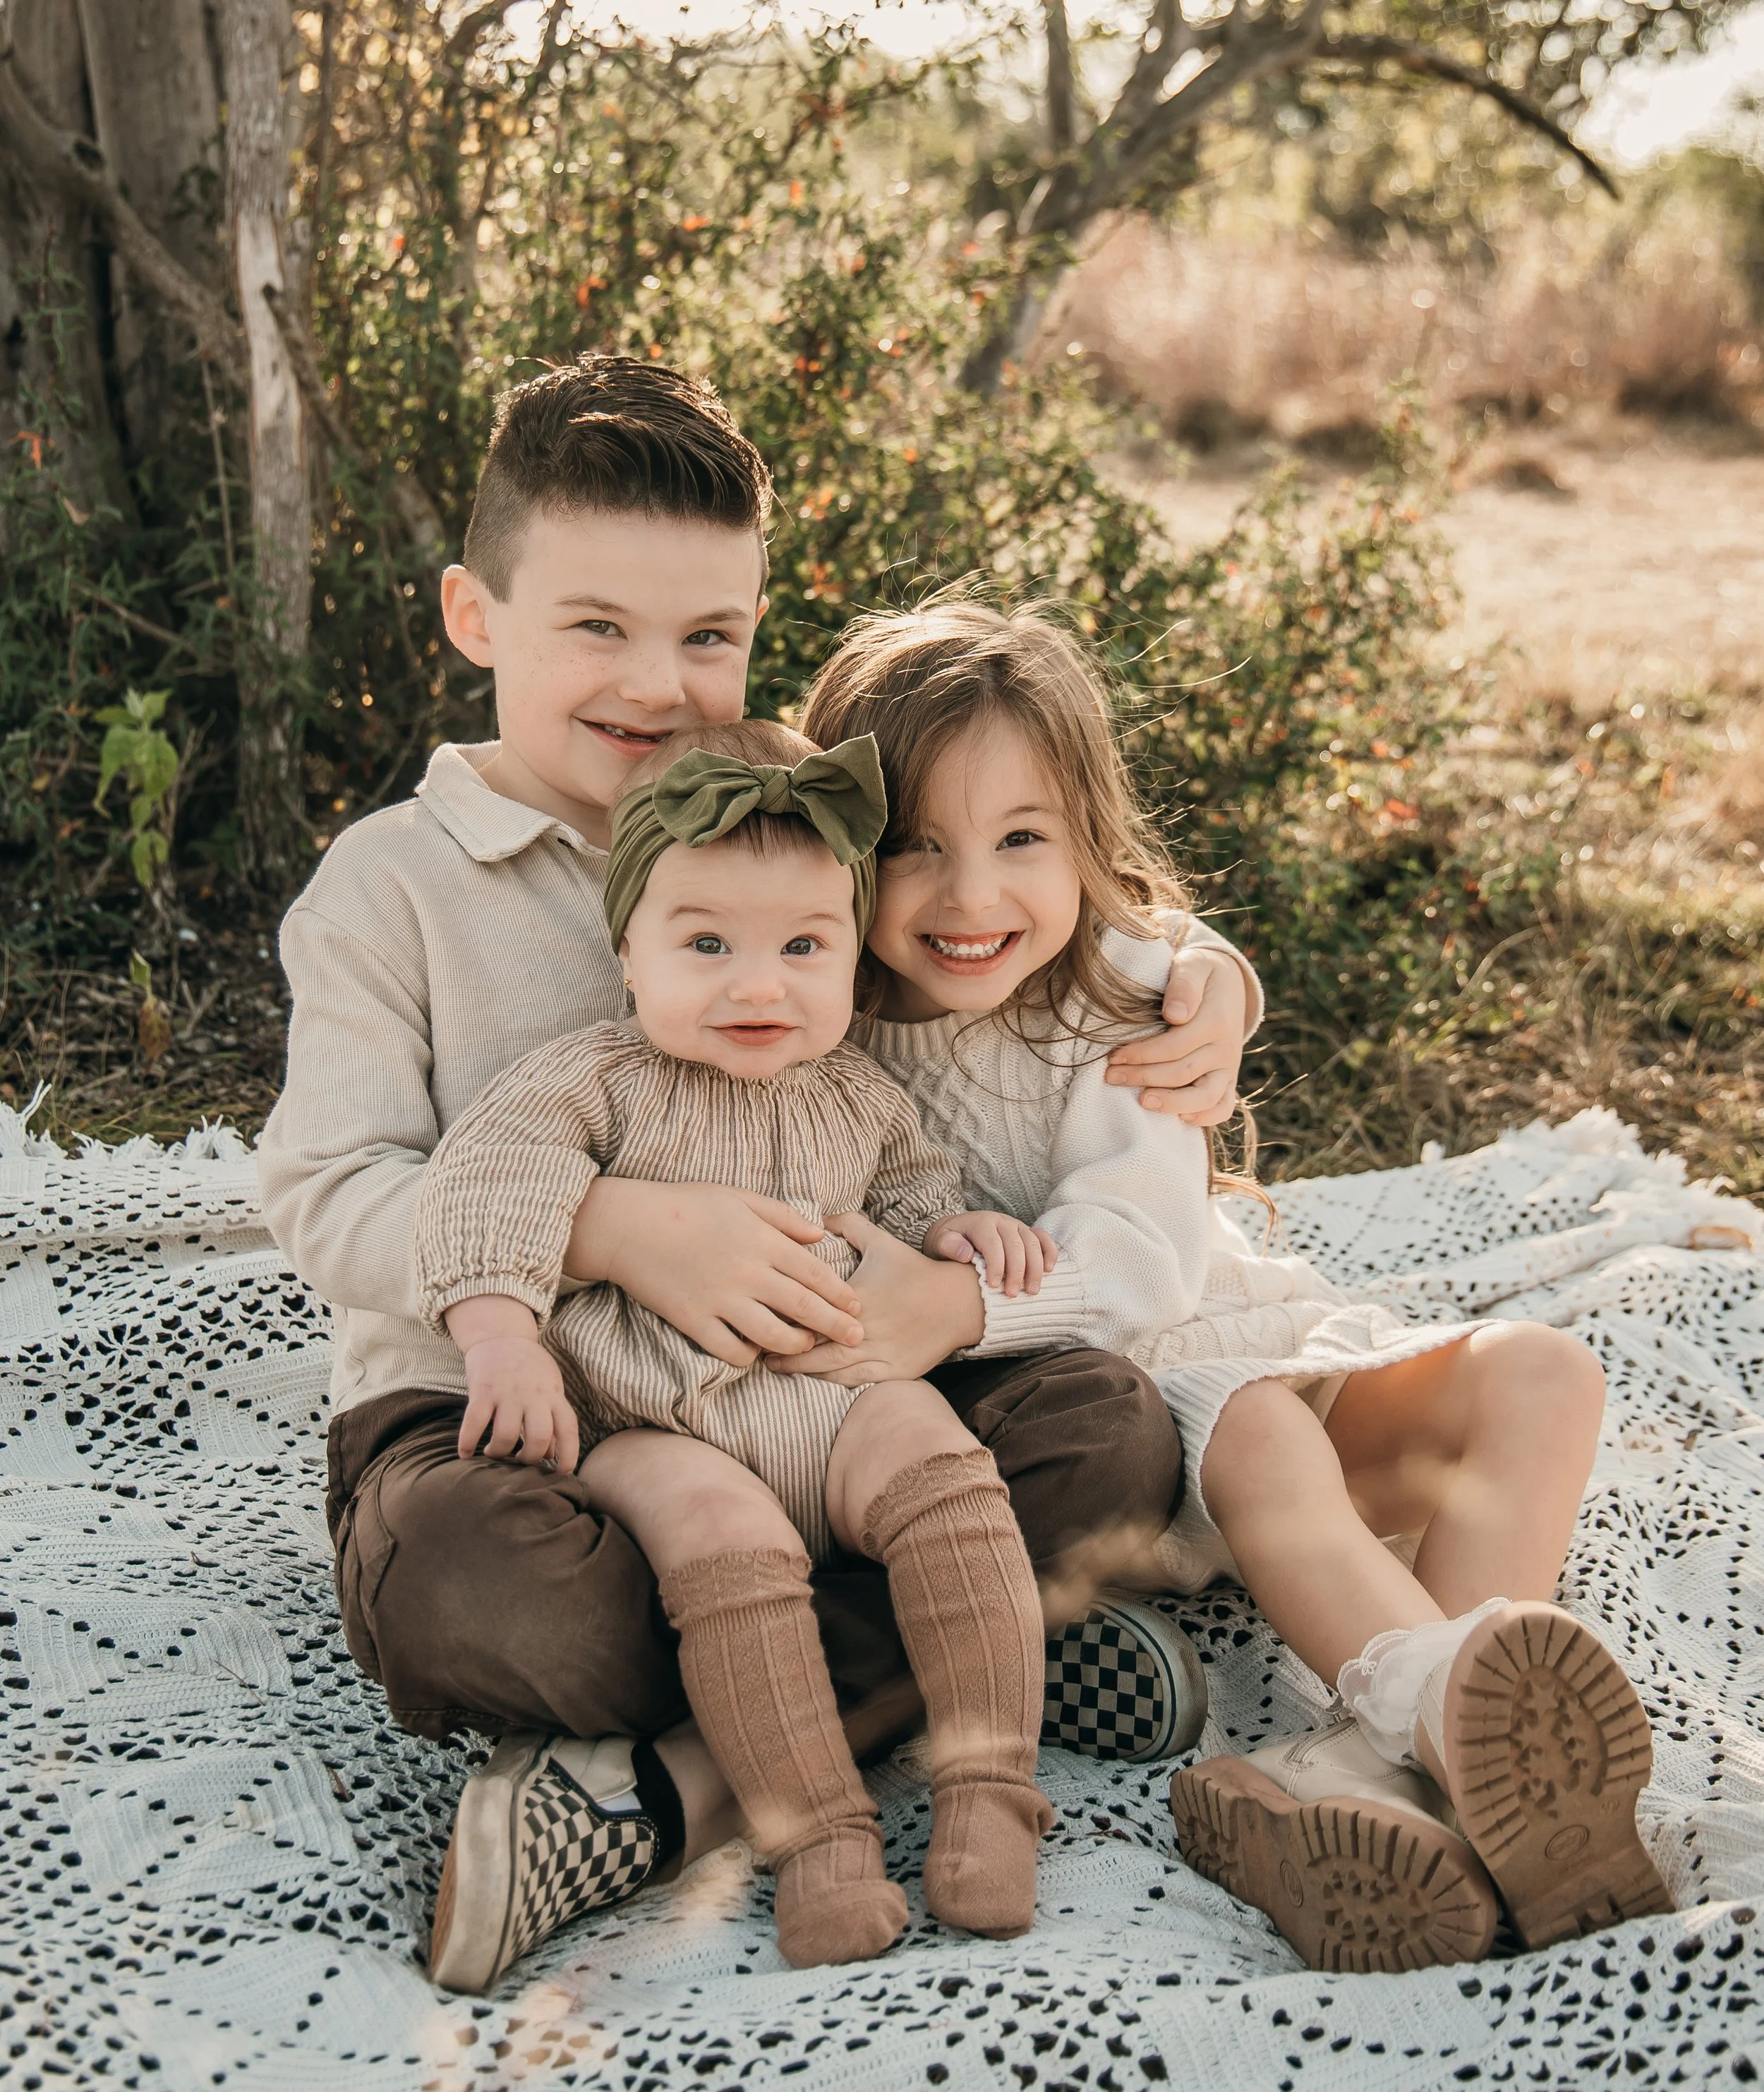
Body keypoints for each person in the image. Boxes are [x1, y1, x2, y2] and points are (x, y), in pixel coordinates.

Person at [258, 356, 1263, 1993]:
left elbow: (999, 887)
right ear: (473, 614)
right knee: (491, 1605)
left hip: (822, 1380)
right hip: (512, 1418)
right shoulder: (388, 889)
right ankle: (973, 1654)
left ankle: (689, 1777)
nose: (657, 681)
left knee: (1105, 1433)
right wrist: (608, 1231)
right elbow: (324, 1192)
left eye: (708, 636)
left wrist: (1203, 967)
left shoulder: (790, 824)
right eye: (594, 626)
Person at [790, 600, 1671, 1976]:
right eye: (913, 846)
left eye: (1021, 839)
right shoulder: (807, 1023)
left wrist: (1213, 978)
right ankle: (1450, 1742)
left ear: (1084, 837)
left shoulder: (1120, 989)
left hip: (1218, 1336)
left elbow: (1143, 1260)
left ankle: (1397, 1777)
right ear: (842, 851)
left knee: (1543, 1373)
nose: (970, 899)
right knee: (1259, 1422)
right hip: (1109, 1431)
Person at [415, 720, 1064, 1973]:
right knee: (724, 1532)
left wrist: (958, 1230)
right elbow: (484, 1187)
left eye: (804, 946)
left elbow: (920, 1191)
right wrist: (503, 1344)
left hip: (829, 1404)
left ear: (851, 958)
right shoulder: (590, 1081)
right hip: (655, 1416)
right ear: (627, 948)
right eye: (706, 943)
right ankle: (818, 1842)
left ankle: (991, 1796)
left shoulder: (863, 1096)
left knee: (940, 1458)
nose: (757, 985)